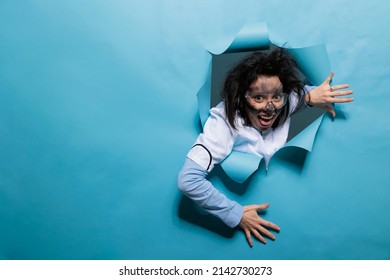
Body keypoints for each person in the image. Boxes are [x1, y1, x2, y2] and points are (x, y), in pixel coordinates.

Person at [178, 47, 353, 247]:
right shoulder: (224, 122)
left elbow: (299, 96)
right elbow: (188, 180)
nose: (270, 108)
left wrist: (311, 96)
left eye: (276, 97)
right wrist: (234, 214)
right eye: (258, 98)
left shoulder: (286, 102)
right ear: (241, 99)